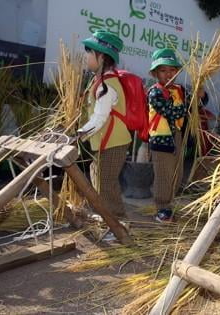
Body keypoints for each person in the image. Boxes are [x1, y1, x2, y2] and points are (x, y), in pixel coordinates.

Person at [147, 48, 206, 222]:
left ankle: (169, 205)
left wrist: (200, 95)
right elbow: (172, 112)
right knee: (164, 175)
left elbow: (197, 104)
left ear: (177, 72)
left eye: (172, 70)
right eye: (163, 70)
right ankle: (162, 208)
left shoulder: (179, 90)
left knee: (177, 174)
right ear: (156, 73)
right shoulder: (155, 92)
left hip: (177, 138)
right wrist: (191, 99)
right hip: (161, 140)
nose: (168, 74)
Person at [78, 30, 131, 217]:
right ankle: (106, 216)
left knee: (106, 183)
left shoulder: (107, 86)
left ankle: (116, 221)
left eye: (88, 52)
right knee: (98, 176)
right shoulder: (100, 81)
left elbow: (99, 118)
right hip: (105, 142)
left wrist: (79, 134)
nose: (86, 57)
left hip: (113, 143)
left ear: (101, 57)